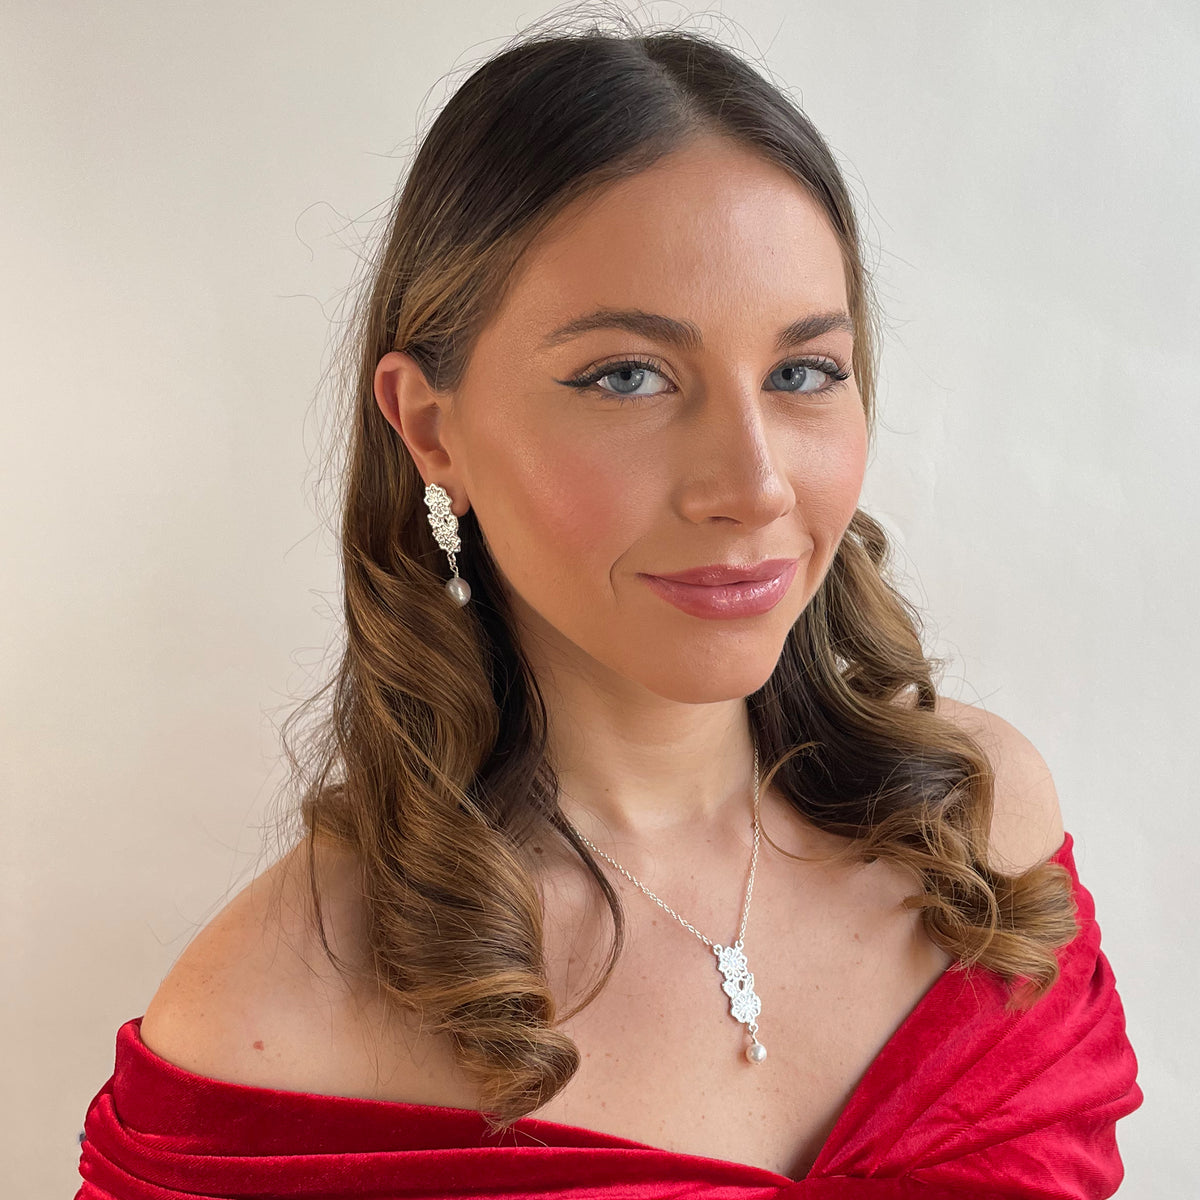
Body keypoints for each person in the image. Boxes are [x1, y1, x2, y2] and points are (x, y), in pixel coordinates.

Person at [75, 15, 1142, 1199]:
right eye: (627, 377)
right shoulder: (271, 1021)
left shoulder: (982, 833)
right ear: (432, 429)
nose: (753, 486)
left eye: (802, 373)